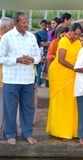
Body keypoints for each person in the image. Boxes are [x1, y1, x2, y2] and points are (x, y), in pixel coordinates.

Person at [0, 12, 41, 145]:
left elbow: (38, 56)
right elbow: (1, 57)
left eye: (27, 22)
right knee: (10, 108)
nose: (26, 24)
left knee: (28, 108)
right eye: (23, 22)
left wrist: (32, 60)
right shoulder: (7, 37)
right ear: (16, 23)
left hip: (28, 79)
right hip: (11, 79)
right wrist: (16, 60)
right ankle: (10, 134)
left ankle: (27, 133)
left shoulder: (32, 37)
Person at [46, 23, 82, 140]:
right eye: (75, 34)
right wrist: (75, 68)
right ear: (70, 31)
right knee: (60, 101)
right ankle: (58, 131)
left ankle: (71, 131)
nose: (76, 36)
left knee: (71, 102)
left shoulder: (78, 43)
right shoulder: (63, 41)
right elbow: (61, 60)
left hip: (72, 75)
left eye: (79, 35)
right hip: (59, 74)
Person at [0, 17, 14, 137]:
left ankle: (5, 132)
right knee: (3, 108)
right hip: (3, 80)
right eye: (11, 28)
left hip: (6, 79)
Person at [35, 19, 50, 87]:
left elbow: (42, 44)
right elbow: (39, 44)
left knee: (43, 69)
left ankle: (41, 83)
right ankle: (38, 83)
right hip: (40, 53)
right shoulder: (37, 33)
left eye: (45, 25)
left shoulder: (49, 33)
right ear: (40, 25)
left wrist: (45, 44)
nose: (43, 26)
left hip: (46, 53)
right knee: (39, 69)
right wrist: (47, 43)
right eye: (42, 25)